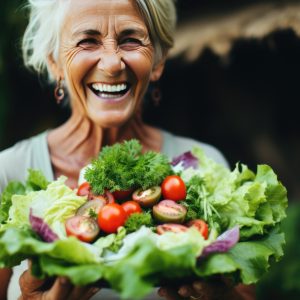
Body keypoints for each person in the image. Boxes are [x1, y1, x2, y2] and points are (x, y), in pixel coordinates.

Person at [0, 0, 255, 299]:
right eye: (87, 41)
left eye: (131, 40)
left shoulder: (206, 165)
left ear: (158, 62)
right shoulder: (7, 173)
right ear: (55, 62)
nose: (112, 64)